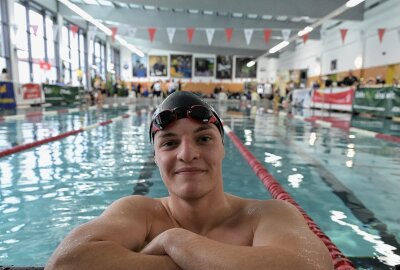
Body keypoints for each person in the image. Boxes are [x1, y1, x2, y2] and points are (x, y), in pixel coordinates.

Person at [45, 92, 333, 270]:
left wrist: (176, 241)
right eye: (169, 143)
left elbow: (312, 266)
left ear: (223, 147)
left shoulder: (267, 214)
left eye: (204, 139)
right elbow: (65, 264)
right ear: (155, 157)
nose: (187, 154)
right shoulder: (138, 212)